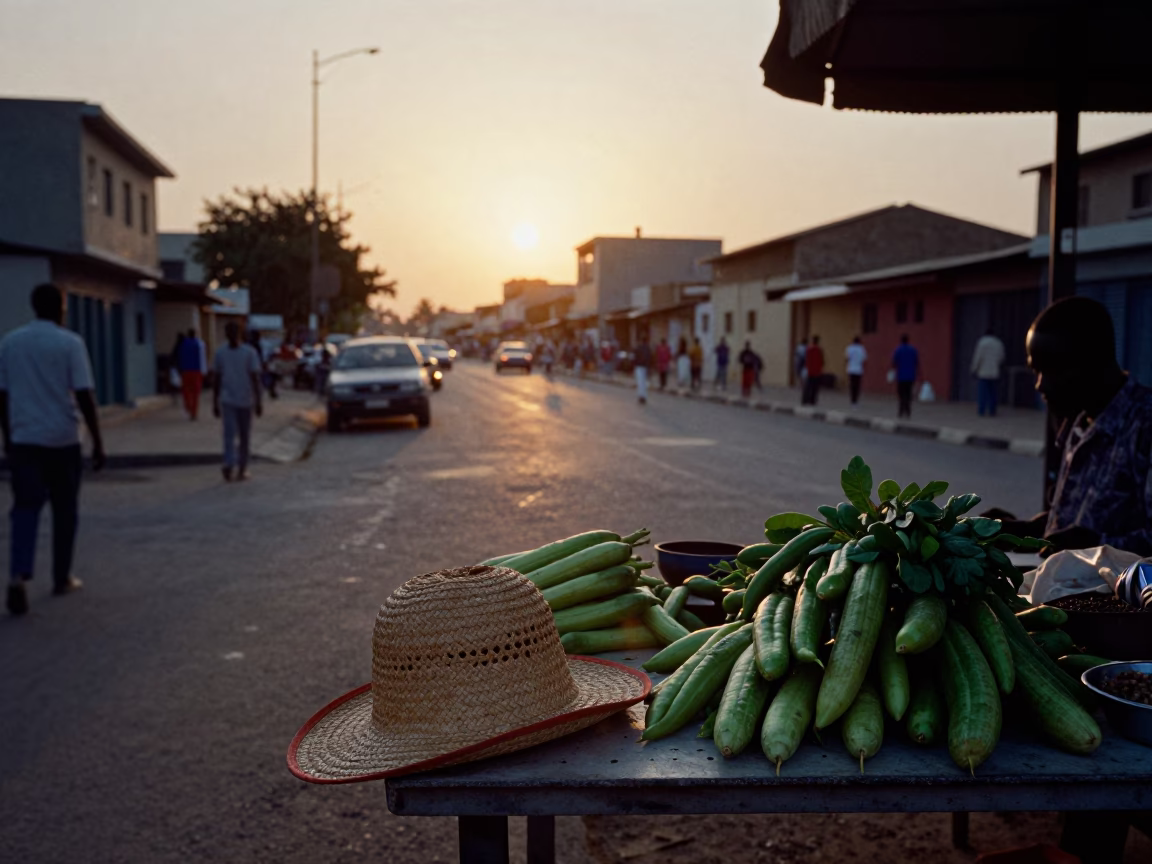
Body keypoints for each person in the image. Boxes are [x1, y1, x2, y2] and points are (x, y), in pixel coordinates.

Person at [984, 297, 1152, 556]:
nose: (1040, 385)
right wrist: (1025, 531)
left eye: (1051, 370)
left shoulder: (1144, 426)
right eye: (1035, 371)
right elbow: (1074, 523)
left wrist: (1095, 547)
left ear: (1093, 363)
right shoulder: (1079, 422)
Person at [0, 283, 105, 616]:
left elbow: (2, 396)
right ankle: (62, 577)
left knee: (25, 508)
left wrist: (8, 436)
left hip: (25, 439)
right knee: (64, 509)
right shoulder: (70, 343)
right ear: (60, 307)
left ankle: (18, 576)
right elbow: (85, 394)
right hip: (62, 439)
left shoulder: (11, 343)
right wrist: (99, 441)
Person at [213, 322, 263, 482]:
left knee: (244, 436)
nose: (232, 335)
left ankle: (242, 466)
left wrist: (258, 400)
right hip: (228, 399)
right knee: (229, 434)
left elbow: (255, 378)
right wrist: (214, 401)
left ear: (240, 334)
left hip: (246, 400)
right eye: (229, 332)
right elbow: (217, 378)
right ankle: (229, 463)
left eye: (235, 332)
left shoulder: (249, 352)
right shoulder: (220, 353)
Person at [971, 327, 1006, 417]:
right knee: (993, 393)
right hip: (994, 372)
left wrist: (974, 369)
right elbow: (1002, 357)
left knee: (982, 393)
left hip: (983, 371)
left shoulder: (982, 342)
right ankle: (992, 410)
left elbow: (978, 357)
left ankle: (981, 410)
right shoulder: (998, 343)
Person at [178, 328, 207, 420]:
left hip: (185, 370)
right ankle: (194, 412)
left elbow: (180, 357)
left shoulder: (183, 344)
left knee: (186, 391)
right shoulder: (199, 344)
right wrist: (204, 371)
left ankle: (188, 407)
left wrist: (180, 369)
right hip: (196, 371)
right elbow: (202, 358)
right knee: (195, 393)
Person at [891, 334, 919, 418]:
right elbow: (916, 363)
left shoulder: (898, 350)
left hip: (901, 376)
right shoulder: (913, 350)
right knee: (908, 394)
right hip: (911, 376)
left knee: (901, 394)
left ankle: (901, 410)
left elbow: (894, 363)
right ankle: (908, 411)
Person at [802, 335, 824, 405]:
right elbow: (821, 361)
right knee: (815, 387)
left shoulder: (809, 349)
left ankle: (805, 400)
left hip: (809, 370)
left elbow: (806, 360)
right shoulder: (819, 350)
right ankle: (812, 401)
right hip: (817, 371)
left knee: (807, 387)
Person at [633, 334, 652, 404]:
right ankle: (644, 396)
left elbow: (635, 358)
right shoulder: (648, 348)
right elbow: (650, 359)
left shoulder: (638, 347)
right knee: (644, 383)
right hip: (645, 367)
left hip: (639, 367)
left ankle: (641, 396)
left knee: (640, 383)